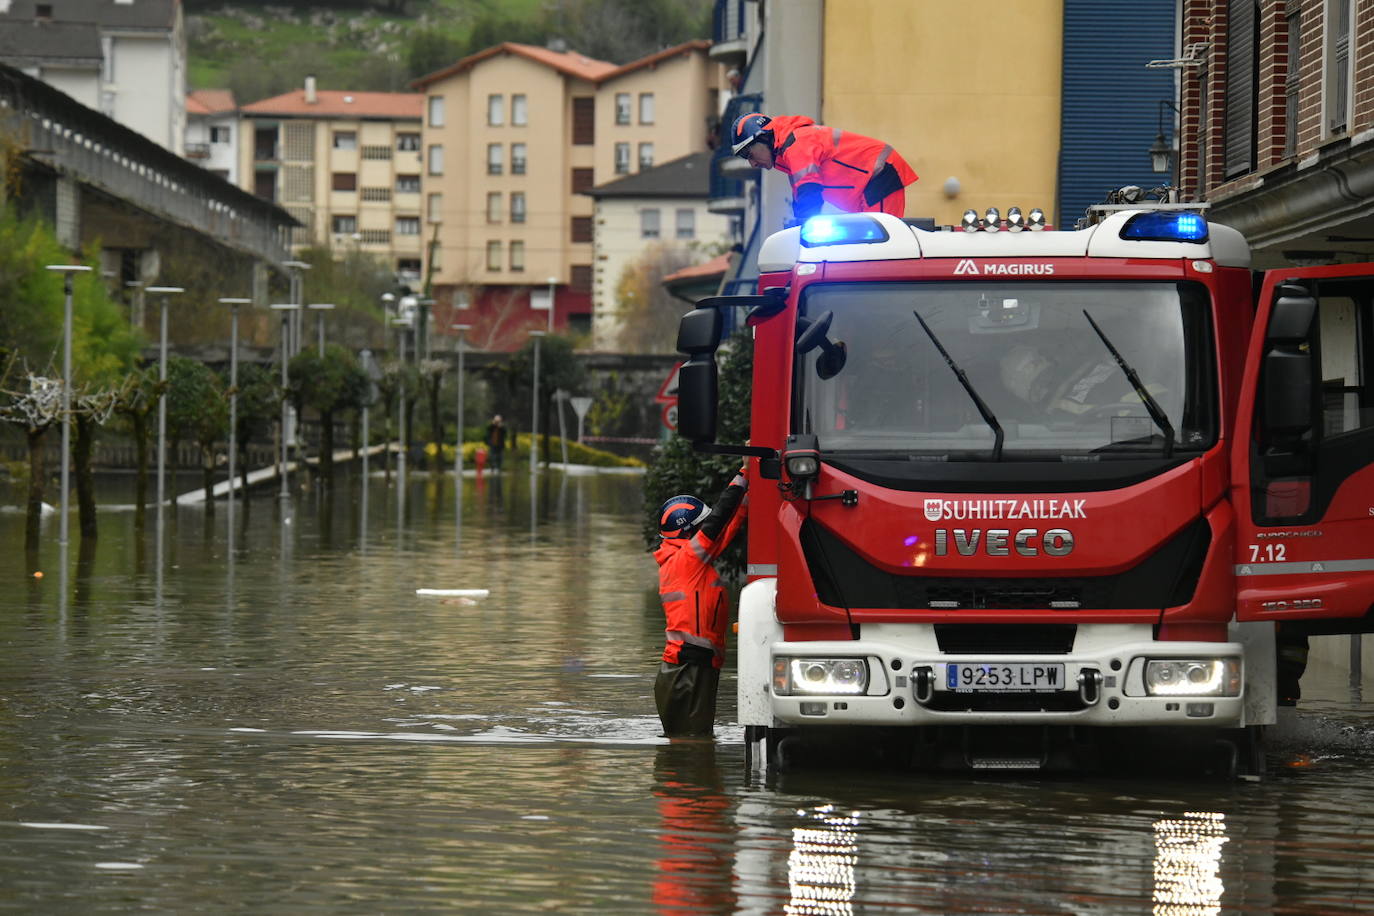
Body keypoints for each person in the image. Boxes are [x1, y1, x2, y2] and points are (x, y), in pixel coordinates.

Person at [653, 467, 749, 738]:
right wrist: (744, 472)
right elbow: (718, 520)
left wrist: (751, 492)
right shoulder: (688, 560)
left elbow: (727, 526)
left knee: (692, 748)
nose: (703, 533)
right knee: (691, 750)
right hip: (687, 671)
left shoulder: (688, 559)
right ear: (688, 531)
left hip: (691, 668)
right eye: (698, 528)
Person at [729, 112, 918, 223]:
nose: (752, 163)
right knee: (870, 247)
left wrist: (803, 234)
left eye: (749, 154)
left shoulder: (797, 145)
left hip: (879, 173)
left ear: (763, 137)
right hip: (868, 181)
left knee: (881, 246)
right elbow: (800, 198)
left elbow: (809, 191)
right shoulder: (786, 153)